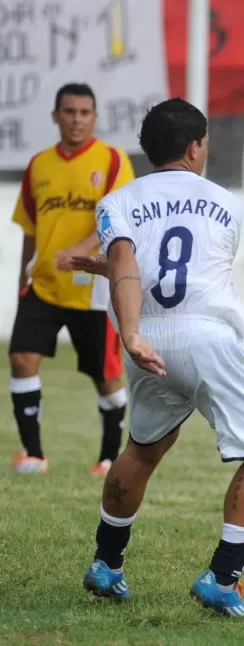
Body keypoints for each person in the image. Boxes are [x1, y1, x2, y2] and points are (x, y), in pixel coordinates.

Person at [68, 98, 244, 618]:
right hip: (208, 338)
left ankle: (107, 564)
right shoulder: (227, 203)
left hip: (149, 338)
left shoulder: (115, 202)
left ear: (147, 150)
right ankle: (222, 578)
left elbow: (129, 265)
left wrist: (130, 334)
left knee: (142, 449)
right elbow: (189, 270)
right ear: (195, 147)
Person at [9, 82, 135, 477]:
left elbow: (115, 220)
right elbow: (30, 227)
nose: (76, 119)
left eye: (84, 113)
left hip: (94, 289)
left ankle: (109, 459)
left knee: (106, 377)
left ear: (95, 118)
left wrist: (80, 249)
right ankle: (33, 454)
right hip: (44, 284)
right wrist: (22, 277)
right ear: (55, 116)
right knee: (21, 359)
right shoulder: (38, 166)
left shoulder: (113, 160)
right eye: (69, 112)